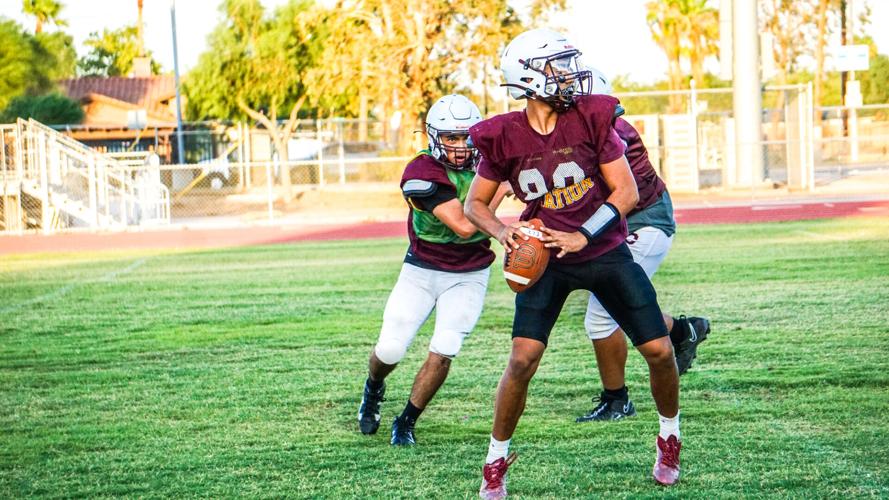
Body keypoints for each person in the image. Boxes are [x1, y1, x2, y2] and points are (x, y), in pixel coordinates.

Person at [464, 29, 684, 497]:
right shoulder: (502, 134)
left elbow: (625, 193)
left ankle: (669, 434)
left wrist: (583, 234)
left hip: (602, 249)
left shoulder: (592, 117)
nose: (569, 75)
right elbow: (475, 205)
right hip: (547, 254)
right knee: (522, 359)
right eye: (557, 67)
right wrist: (506, 232)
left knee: (661, 352)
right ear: (528, 77)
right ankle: (495, 461)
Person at [357, 94, 507, 446]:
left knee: (445, 347)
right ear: (433, 137)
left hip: (470, 273)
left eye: (465, 136)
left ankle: (406, 420)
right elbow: (465, 225)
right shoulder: (420, 172)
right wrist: (502, 186)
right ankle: (374, 387)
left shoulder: (488, 162)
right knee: (391, 349)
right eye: (451, 138)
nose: (460, 145)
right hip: (422, 271)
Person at [575, 67, 711, 423]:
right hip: (620, 222)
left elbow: (599, 195)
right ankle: (684, 331)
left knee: (602, 314)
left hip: (645, 220)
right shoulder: (588, 133)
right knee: (621, 307)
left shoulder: (611, 137)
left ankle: (617, 401)